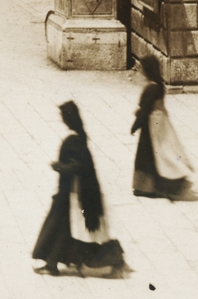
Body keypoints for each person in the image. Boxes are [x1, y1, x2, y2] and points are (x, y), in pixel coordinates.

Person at [33, 101, 125, 276]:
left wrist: (58, 166)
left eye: (63, 117)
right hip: (73, 192)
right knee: (62, 229)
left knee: (65, 229)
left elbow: (78, 166)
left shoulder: (73, 139)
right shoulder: (80, 135)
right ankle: (52, 264)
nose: (62, 120)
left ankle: (113, 260)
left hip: (75, 193)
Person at [131, 54, 192, 200]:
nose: (141, 71)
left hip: (150, 126)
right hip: (160, 123)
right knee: (162, 154)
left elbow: (145, 109)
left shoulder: (150, 88)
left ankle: (147, 187)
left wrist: (135, 125)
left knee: (147, 156)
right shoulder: (159, 85)